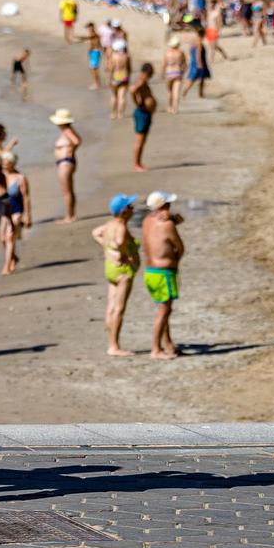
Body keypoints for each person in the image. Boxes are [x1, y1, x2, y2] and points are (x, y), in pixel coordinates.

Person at [92, 196, 141, 356]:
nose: (133, 209)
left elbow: (95, 233)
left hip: (110, 268)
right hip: (122, 271)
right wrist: (122, 254)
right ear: (124, 211)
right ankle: (114, 346)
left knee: (111, 306)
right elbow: (119, 242)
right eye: (130, 206)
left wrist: (108, 248)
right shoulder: (121, 226)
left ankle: (111, 341)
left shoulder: (109, 224)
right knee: (119, 308)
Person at [141, 191, 184, 360]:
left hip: (150, 272)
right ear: (164, 206)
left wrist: (172, 218)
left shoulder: (146, 221)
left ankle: (168, 344)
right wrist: (176, 263)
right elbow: (180, 248)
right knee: (164, 311)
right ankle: (155, 349)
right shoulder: (167, 225)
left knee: (162, 309)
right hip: (163, 272)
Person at [0, 124, 27, 274]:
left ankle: (9, 262)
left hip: (8, 187)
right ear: (1, 134)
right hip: (1, 187)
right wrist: (11, 144)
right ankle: (13, 256)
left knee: (9, 234)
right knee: (4, 236)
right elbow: (2, 156)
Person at [49, 108, 81, 222]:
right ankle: (71, 214)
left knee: (66, 191)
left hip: (66, 162)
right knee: (69, 190)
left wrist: (71, 151)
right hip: (66, 162)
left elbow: (77, 141)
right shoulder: (67, 131)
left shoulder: (67, 130)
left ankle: (69, 216)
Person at [131, 63, 158, 172]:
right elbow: (132, 90)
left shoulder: (142, 80)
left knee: (142, 140)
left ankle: (138, 163)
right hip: (142, 113)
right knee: (140, 141)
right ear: (148, 72)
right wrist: (137, 102)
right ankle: (136, 164)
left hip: (145, 113)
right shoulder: (141, 81)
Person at [163, 35, 188, 113]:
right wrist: (183, 72)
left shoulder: (167, 53)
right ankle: (175, 109)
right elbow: (185, 63)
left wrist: (162, 73)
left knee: (169, 91)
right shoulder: (181, 53)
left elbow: (164, 64)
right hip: (178, 72)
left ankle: (169, 107)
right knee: (176, 92)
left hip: (169, 72)